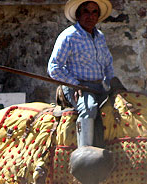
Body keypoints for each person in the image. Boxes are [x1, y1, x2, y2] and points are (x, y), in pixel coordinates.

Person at [48, 0, 114, 147]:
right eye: (86, 11)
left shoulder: (100, 37)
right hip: (76, 87)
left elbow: (108, 64)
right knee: (89, 108)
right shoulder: (68, 36)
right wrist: (75, 84)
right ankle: (86, 153)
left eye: (94, 12)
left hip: (98, 86)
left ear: (98, 16)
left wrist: (112, 82)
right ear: (78, 15)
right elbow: (54, 67)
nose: (90, 16)